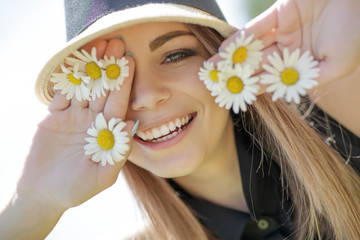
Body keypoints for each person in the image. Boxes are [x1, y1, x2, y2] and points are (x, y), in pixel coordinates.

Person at [0, 0, 359, 239]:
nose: (145, 96)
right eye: (114, 77)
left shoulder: (341, 106)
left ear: (227, 57)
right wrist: (34, 202)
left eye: (175, 55)